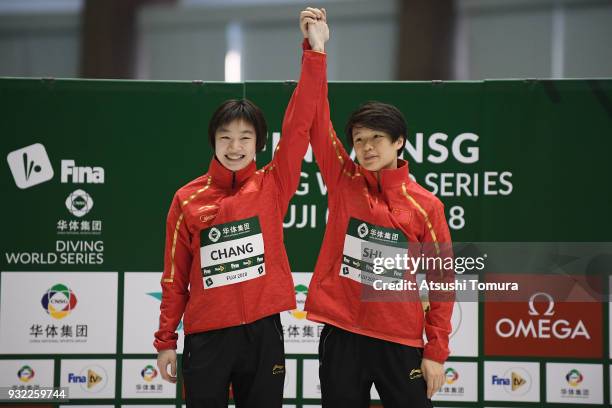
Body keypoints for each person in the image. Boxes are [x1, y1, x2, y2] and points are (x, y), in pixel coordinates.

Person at [153, 31, 327, 407]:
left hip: (263, 335)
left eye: (245, 138)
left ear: (259, 143)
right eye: (226, 137)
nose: (235, 147)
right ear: (212, 140)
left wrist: (313, 52)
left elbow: (299, 123)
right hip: (207, 337)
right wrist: (166, 342)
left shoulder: (273, 185)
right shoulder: (187, 199)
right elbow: (174, 277)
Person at [300, 7, 454, 408]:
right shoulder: (343, 180)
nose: (366, 148)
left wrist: (435, 351)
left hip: (400, 341)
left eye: (377, 139)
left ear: (399, 141)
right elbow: (315, 121)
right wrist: (315, 51)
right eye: (360, 139)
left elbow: (441, 283)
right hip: (341, 336)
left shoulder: (426, 206)